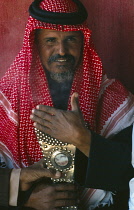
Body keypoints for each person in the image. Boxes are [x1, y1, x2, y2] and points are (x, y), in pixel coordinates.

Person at [0, 0, 134, 209]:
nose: (61, 51)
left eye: (71, 39)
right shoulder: (6, 100)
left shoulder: (112, 97)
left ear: (83, 43)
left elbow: (129, 172)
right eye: (51, 40)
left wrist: (82, 138)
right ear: (35, 45)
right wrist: (25, 200)